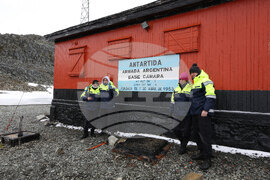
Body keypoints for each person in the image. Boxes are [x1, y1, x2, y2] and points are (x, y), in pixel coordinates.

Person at [189, 63, 216, 170]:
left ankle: (207, 159)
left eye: (193, 73)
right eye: (191, 73)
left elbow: (211, 96)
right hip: (195, 113)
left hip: (203, 114)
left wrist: (206, 110)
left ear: (196, 72)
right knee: (195, 134)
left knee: (205, 136)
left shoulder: (206, 80)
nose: (191, 75)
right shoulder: (194, 83)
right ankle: (202, 152)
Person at [170, 72, 192, 155]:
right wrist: (171, 111)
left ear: (186, 80)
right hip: (177, 113)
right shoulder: (176, 89)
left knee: (186, 131)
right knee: (175, 129)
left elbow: (193, 102)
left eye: (183, 79)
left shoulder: (191, 89)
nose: (181, 80)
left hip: (187, 115)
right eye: (180, 79)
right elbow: (172, 101)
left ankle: (183, 147)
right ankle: (183, 142)